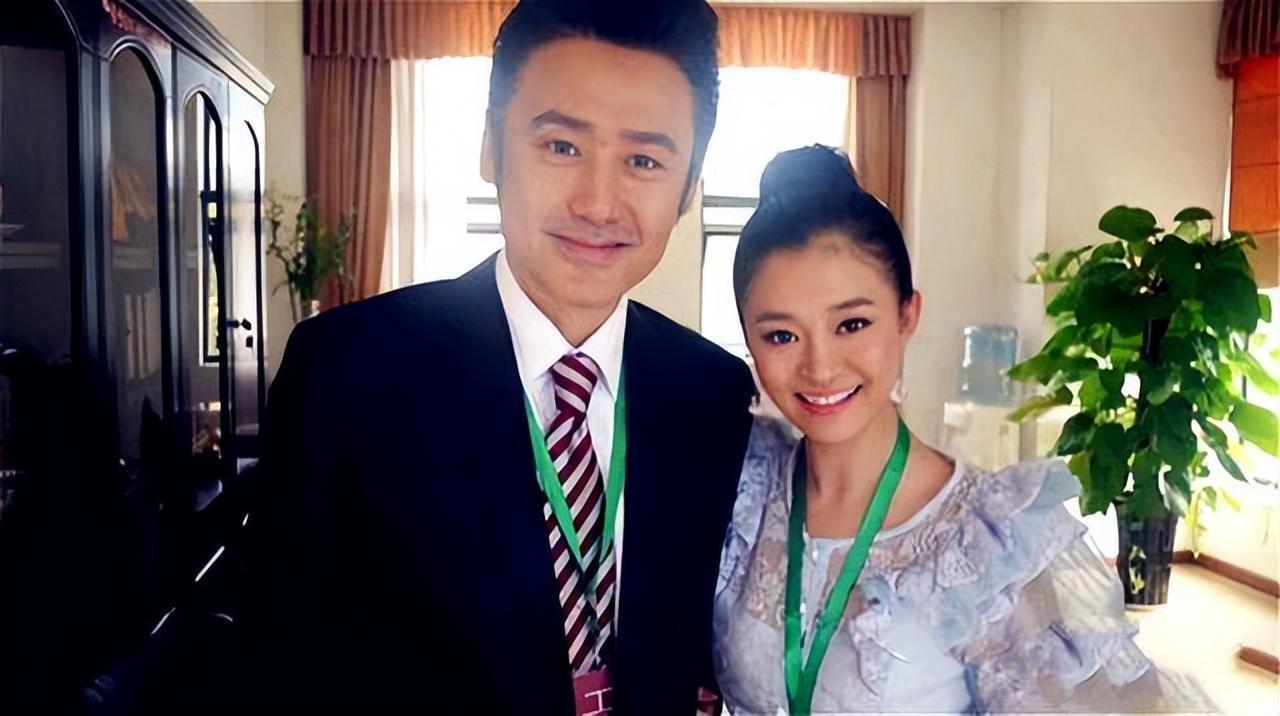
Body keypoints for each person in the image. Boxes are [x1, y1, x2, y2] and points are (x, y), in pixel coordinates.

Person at [239, 1, 754, 712]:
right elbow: (280, 661)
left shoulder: (713, 394)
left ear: (690, 188)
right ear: (490, 148)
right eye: (562, 147)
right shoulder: (349, 373)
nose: (598, 204)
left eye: (643, 161)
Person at [712, 145, 1212, 715]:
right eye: (781, 336)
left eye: (852, 324)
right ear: (748, 340)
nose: (820, 367)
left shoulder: (991, 543)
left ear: (907, 315)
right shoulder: (744, 494)